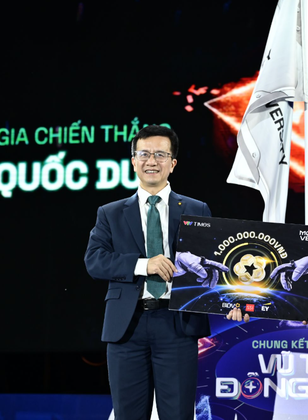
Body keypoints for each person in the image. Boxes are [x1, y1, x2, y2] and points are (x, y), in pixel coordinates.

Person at [84, 124, 223, 420]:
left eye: (161, 154)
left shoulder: (197, 209)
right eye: (144, 154)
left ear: (173, 163)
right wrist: (143, 264)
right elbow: (95, 261)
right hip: (127, 327)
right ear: (133, 161)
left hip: (177, 325)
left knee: (178, 414)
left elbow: (214, 265)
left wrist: (235, 299)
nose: (152, 161)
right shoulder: (110, 213)